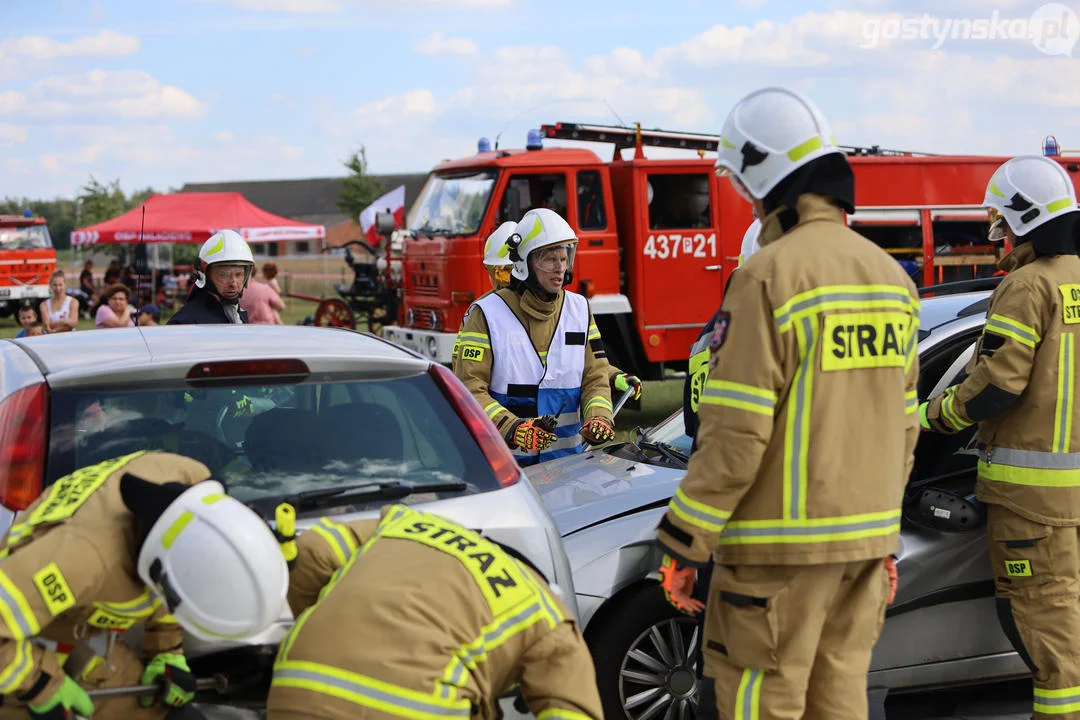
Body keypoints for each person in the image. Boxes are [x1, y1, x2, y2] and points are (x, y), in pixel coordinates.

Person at [654, 86, 919, 720]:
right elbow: (904, 428)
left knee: (760, 704)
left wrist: (683, 544)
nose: (744, 200)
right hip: (863, 549)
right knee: (841, 699)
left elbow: (734, 437)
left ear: (762, 176)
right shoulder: (892, 279)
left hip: (774, 562)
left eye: (743, 187)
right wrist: (883, 539)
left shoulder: (766, 277)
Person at [919, 155, 1080, 720]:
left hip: (1032, 506)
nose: (997, 235)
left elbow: (994, 388)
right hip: (1071, 500)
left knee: (1048, 636)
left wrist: (930, 417)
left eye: (1001, 222)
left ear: (1025, 219)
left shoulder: (1026, 287)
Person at [0, 451, 287, 720]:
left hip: (79, 618)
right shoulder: (82, 560)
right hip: (19, 627)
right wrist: (39, 685)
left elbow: (174, 585)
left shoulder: (191, 489)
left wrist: (165, 653)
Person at [265, 503, 602, 720]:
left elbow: (311, 550)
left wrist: (328, 627)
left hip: (299, 689)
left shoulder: (402, 523)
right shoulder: (546, 612)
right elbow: (571, 712)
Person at [453, 208, 615, 466]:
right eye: (549, 259)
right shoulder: (485, 314)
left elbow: (595, 376)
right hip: (507, 468)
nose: (559, 268)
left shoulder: (580, 309)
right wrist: (513, 428)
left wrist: (599, 416)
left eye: (564, 258)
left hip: (567, 467)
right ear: (523, 263)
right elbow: (469, 389)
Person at [168, 230, 254, 325]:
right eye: (224, 275)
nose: (233, 283)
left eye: (238, 275)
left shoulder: (236, 314)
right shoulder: (185, 322)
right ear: (206, 275)